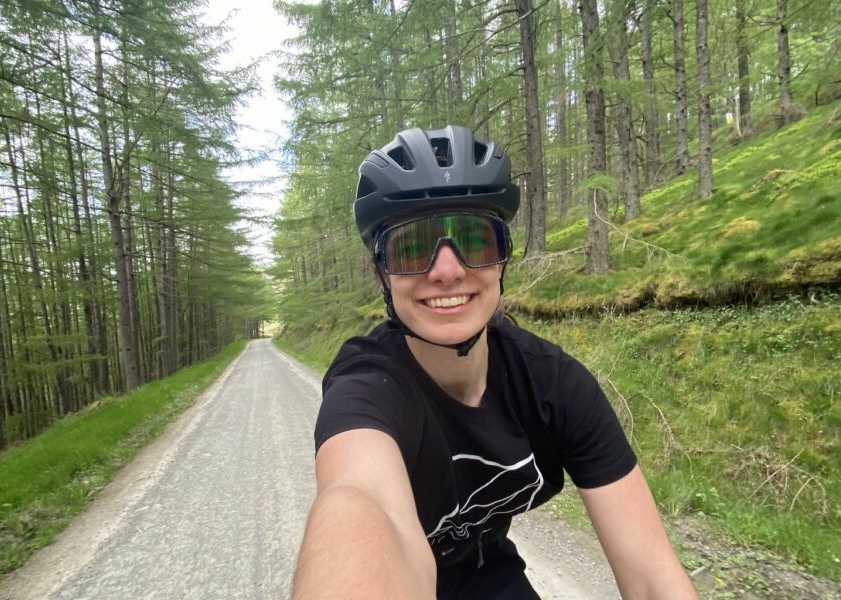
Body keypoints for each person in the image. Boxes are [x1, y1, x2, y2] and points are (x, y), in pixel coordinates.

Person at [292, 126, 696, 599]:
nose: (447, 270)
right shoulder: (367, 389)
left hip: (490, 577)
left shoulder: (553, 385)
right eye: (412, 248)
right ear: (380, 271)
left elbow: (652, 575)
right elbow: (361, 499)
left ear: (502, 258)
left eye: (474, 239)